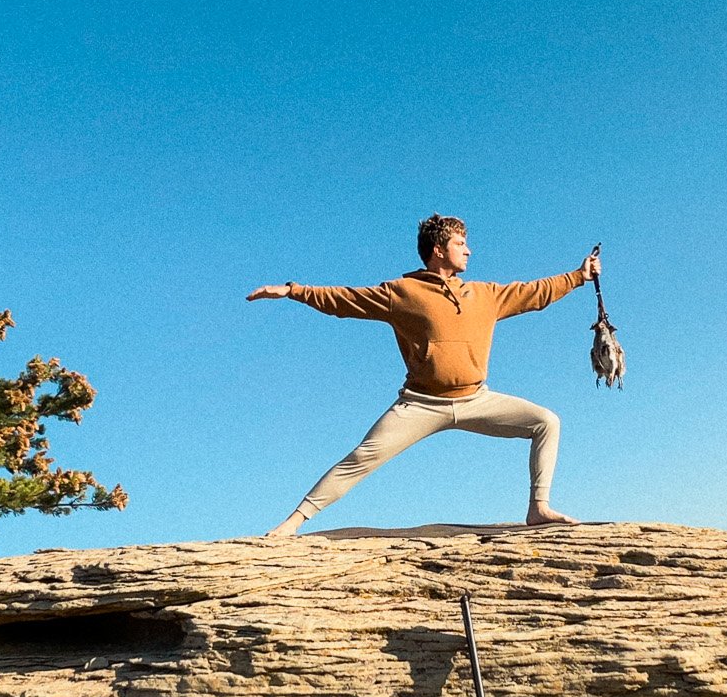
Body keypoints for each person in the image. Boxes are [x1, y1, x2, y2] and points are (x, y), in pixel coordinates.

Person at [247, 214, 600, 536]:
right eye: (461, 244)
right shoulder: (401, 293)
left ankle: (538, 508)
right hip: (420, 404)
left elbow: (533, 293)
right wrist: (293, 291)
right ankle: (291, 525)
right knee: (362, 457)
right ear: (438, 250)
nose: (469, 251)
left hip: (477, 399)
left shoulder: (485, 295)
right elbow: (343, 300)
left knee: (546, 422)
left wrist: (579, 276)